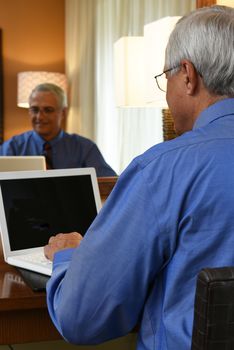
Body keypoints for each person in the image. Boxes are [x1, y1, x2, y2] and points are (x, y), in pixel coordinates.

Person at [45, 5, 234, 350]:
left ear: (188, 76)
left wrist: (70, 255)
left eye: (166, 77)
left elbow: (80, 318)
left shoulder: (163, 169)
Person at [0, 83, 117, 176]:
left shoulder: (84, 148)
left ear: (63, 112)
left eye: (48, 110)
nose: (40, 117)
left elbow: (109, 184)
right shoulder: (12, 147)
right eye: (34, 109)